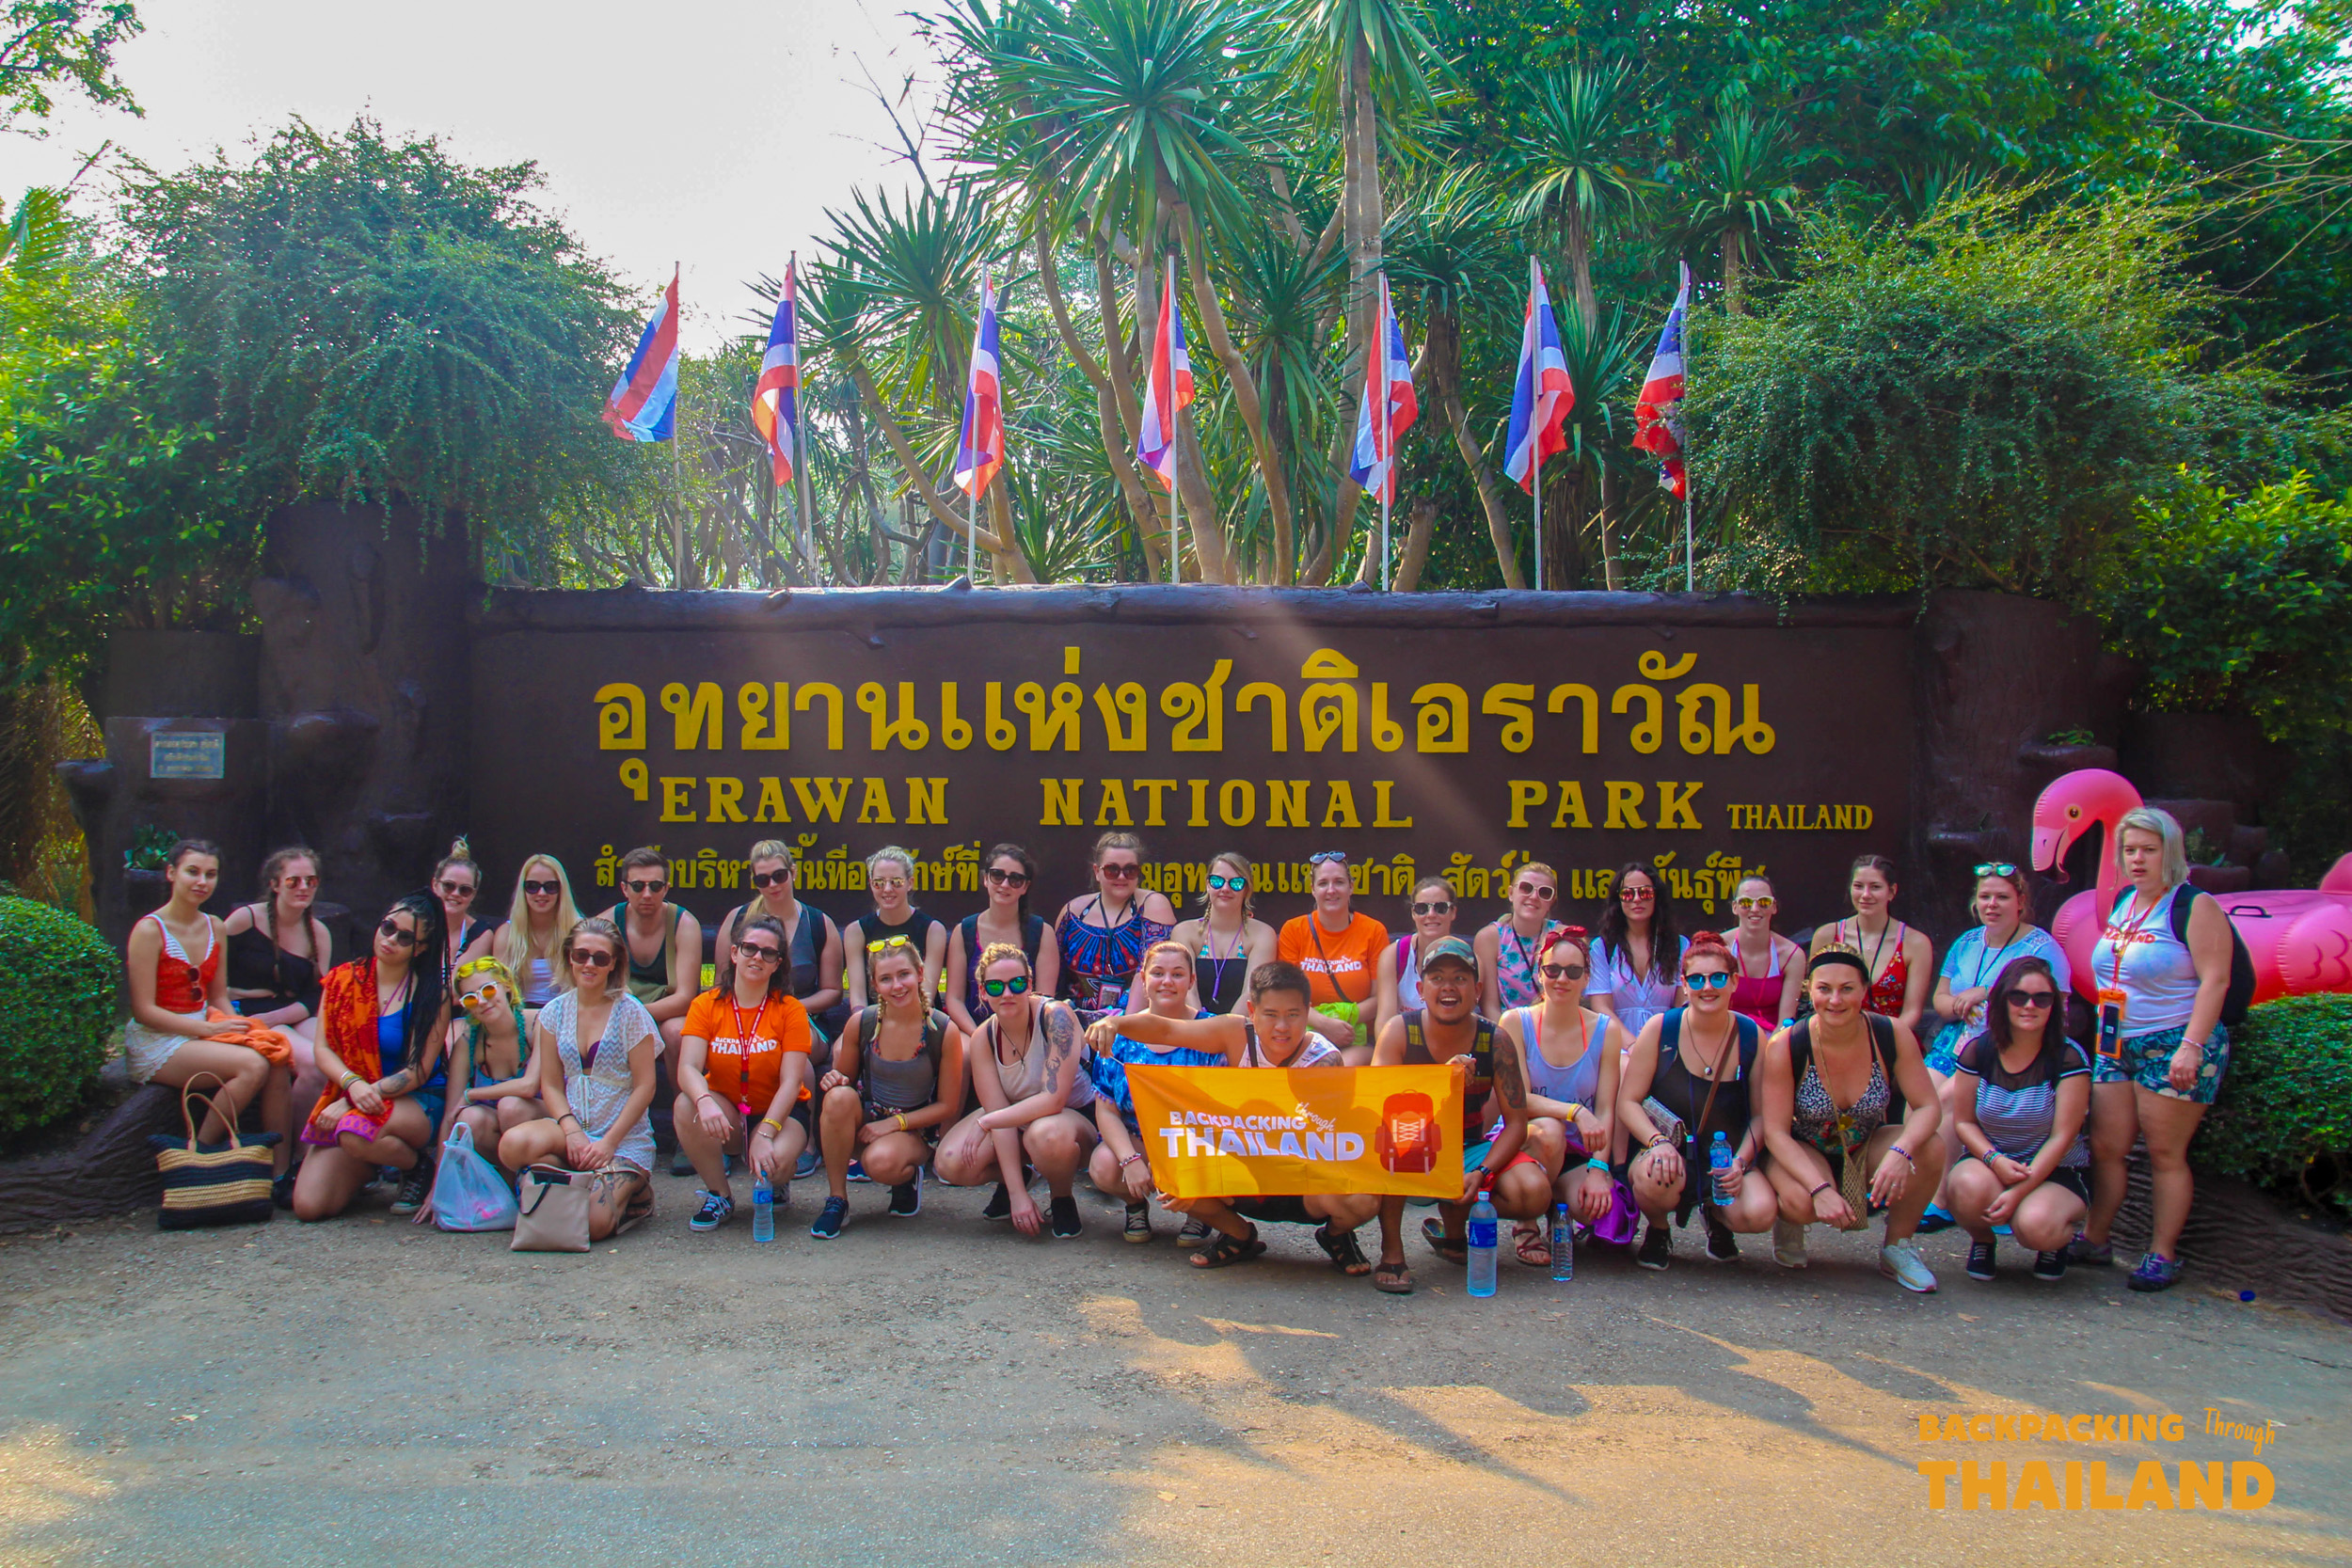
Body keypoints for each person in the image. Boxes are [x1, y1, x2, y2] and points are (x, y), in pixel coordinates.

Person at [1082, 961, 1382, 1275]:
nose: (1282, 1027)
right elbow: (1168, 1029)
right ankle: (1239, 1236)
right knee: (1171, 1174)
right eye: (1271, 1015)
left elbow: (1334, 1141)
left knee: (1362, 1200)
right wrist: (1116, 1025)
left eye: (1293, 1015)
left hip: (1302, 1179)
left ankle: (1336, 1236)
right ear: (1252, 1010)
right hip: (1241, 1171)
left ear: (1308, 1012)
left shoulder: (1325, 1059)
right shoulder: (1235, 1033)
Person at [2072, 808, 2235, 1292]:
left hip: (2174, 1039)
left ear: (2170, 852)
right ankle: (2095, 1238)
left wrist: (2192, 1045)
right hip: (2115, 1041)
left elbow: (2216, 979)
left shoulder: (2194, 904)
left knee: (2165, 1151)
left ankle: (2161, 1254)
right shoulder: (2125, 901)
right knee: (2106, 1147)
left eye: (2148, 849)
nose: (2137, 859)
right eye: (2129, 850)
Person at [1755, 946, 1947, 1291]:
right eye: (1824, 989)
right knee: (1801, 1202)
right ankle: (1790, 1222)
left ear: (1864, 989)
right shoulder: (1787, 1044)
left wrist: (1901, 1151)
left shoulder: (1892, 1033)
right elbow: (1776, 1133)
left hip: (1865, 1143)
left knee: (1929, 1147)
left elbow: (1929, 1107)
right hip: (1804, 1147)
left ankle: (1897, 1247)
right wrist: (1820, 1190)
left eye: (1847, 989)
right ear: (1808, 990)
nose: (1835, 1000)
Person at [122, 839, 295, 1195]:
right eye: (193, 872)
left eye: (210, 874)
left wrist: (239, 1029)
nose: (202, 881)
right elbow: (144, 1011)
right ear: (171, 874)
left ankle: (280, 1172)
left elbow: (218, 995)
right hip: (159, 1039)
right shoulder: (149, 930)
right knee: (252, 1066)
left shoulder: (215, 926)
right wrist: (205, 1028)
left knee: (276, 1056)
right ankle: (199, 1153)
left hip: (204, 1027)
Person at [1369, 937, 1535, 1294]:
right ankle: (1392, 1252)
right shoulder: (1400, 1031)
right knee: (1394, 1145)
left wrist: (1483, 1171)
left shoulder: (1497, 1040)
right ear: (1420, 988)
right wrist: (1440, 1082)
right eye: (1437, 978)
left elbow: (1517, 1122)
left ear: (1477, 990)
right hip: (1410, 1147)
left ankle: (1454, 1232)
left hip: (1469, 1147)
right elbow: (1376, 1104)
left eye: (1460, 978)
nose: (1448, 987)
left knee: (1532, 1193)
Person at [1919, 863, 2072, 1230]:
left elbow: (2057, 1003)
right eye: (1985, 896)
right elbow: (1940, 997)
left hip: (2007, 1047)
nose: (1992, 904)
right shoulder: (1967, 943)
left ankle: (1939, 1200)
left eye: (2002, 897)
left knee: (1949, 1101)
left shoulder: (2042, 947)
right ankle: (1920, 1187)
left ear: (2020, 901)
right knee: (1920, 1101)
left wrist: (1984, 993)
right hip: (1954, 1039)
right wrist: (1958, 1004)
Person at [1617, 930, 1779, 1268]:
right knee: (1654, 1177)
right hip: (1668, 1152)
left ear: (1734, 982)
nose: (1708, 987)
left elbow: (1763, 1117)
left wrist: (1741, 1163)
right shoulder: (1661, 1029)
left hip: (1725, 1155)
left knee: (1759, 1213)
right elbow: (1628, 1102)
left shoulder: (1751, 1036)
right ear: (1684, 984)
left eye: (1718, 977)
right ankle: (1659, 1230)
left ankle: (1718, 1218)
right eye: (1697, 978)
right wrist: (1657, 1142)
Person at [292, 893, 452, 1222]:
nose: (390, 940)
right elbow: (323, 1049)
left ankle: (418, 1165)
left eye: (404, 937)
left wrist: (355, 1100)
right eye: (388, 927)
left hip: (415, 1100)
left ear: (419, 948)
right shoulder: (341, 979)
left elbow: (418, 1071)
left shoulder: (432, 994)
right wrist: (351, 1086)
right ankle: (368, 1161)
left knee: (352, 1129)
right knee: (309, 1206)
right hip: (356, 1095)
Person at [497, 917, 660, 1241]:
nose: (589, 964)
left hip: (622, 1138)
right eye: (581, 955)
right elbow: (552, 1084)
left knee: (592, 1224)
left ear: (613, 963)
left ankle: (635, 1195)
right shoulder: (553, 1013)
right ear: (569, 956)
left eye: (600, 958)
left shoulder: (631, 1012)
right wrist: (571, 1131)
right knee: (512, 1146)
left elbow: (646, 1086)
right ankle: (573, 1179)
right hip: (573, 1129)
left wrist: (609, 1142)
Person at [936, 942, 1099, 1239]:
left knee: (1045, 1134)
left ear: (1030, 985)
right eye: (996, 986)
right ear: (983, 992)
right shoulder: (983, 1037)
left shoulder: (1055, 1016)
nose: (1008, 993)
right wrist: (1016, 1195)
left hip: (1072, 1120)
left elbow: (1053, 1099)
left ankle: (1061, 1197)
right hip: (1017, 1121)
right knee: (950, 1161)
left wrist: (986, 1121)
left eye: (1017, 983)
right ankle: (1023, 1178)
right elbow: (999, 1113)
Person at [1947, 957, 2091, 1283]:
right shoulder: (1978, 1051)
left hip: (2057, 1169)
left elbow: (2063, 1136)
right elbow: (1964, 1122)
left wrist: (2019, 1190)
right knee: (1965, 1186)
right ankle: (1983, 1240)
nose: (2030, 1006)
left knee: (2035, 1227)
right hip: (1993, 1161)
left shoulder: (2068, 1057)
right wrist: (1994, 1160)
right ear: (2002, 1001)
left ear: (2053, 1005)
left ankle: (2053, 1244)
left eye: (2042, 998)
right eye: (2018, 996)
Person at [811, 936, 966, 1239]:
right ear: (874, 984)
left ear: (920, 973)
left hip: (914, 1128)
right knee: (838, 1099)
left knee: (879, 1163)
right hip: (869, 1118)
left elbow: (947, 1106)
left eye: (903, 975)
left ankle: (906, 1179)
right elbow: (843, 1079)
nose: (897, 986)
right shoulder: (864, 1023)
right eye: (886, 979)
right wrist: (834, 1080)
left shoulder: (942, 1030)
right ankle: (836, 1199)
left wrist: (894, 1124)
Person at [1085, 942, 1238, 1243]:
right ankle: (1135, 1204)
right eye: (1158, 973)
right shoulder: (1118, 1036)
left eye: (1178, 974)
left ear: (1192, 981)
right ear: (1143, 979)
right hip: (1137, 1139)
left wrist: (1179, 1156)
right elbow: (1106, 1109)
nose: (1167, 982)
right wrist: (1130, 1161)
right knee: (1103, 1166)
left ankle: (1201, 1212)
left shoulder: (1211, 1031)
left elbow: (1222, 1111)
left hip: (1196, 1141)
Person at [674, 914, 814, 1231]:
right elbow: (687, 1068)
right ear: (734, 953)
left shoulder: (790, 1009)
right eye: (750, 948)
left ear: (777, 963)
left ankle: (777, 1182)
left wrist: (765, 1132)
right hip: (728, 1110)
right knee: (686, 1104)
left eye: (768, 953)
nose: (757, 958)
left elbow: (793, 1082)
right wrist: (704, 1101)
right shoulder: (705, 1005)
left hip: (780, 1115)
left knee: (773, 1165)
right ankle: (720, 1194)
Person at [1493, 927, 1621, 1268]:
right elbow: (1517, 1101)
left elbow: (1607, 1108)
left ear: (1586, 979)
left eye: (1573, 971)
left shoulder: (1606, 1030)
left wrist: (1598, 1168)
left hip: (1579, 1148)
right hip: (1529, 1142)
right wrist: (1576, 1112)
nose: (1562, 979)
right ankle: (1527, 1222)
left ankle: (1556, 1206)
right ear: (1539, 973)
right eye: (1553, 970)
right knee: (1549, 1130)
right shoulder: (1515, 1022)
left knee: (1602, 1213)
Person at [221, 846, 330, 1164]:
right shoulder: (245, 920)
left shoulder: (318, 932)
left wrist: (278, 1015)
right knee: (312, 1063)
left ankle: (340, 1145)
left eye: (311, 881)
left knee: (339, 1052)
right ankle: (300, 1156)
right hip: (248, 1013)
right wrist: (243, 994)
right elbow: (212, 973)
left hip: (292, 1012)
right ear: (274, 883)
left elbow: (316, 995)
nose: (304, 888)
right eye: (294, 881)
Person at [712, 838, 847, 1037]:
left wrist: (784, 1010)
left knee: (790, 1039)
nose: (773, 884)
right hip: (743, 1019)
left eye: (779, 876)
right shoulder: (737, 920)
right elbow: (721, 983)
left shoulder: (818, 923)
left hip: (801, 1018)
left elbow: (833, 992)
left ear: (793, 873)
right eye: (763, 879)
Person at [599, 844, 704, 1072]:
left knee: (676, 1032)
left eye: (655, 886)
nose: (647, 894)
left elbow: (685, 998)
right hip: (617, 1009)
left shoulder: (684, 925)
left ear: (666, 889)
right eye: (638, 886)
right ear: (624, 889)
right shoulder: (607, 924)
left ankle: (683, 1104)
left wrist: (631, 1015)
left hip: (666, 1013)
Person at [1278, 851, 1389, 1062]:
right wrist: (1324, 1024)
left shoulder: (1374, 931)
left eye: (1339, 882)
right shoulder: (1294, 930)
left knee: (1338, 1068)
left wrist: (1344, 1021)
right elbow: (1285, 996)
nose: (1331, 890)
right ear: (1312, 889)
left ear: (1351, 887)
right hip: (1302, 1036)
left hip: (1356, 1039)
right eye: (1323, 883)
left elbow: (1381, 997)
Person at [1055, 832, 1177, 1018]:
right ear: (1097, 872)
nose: (1121, 877)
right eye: (1112, 870)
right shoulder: (1073, 912)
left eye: (1130, 870)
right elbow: (1057, 975)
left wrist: (1123, 1032)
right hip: (1074, 1021)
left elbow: (1148, 971)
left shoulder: (1152, 905)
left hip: (1135, 1022)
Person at [1810, 855, 1933, 1037]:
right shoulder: (1826, 936)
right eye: (1859, 886)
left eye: (1875, 887)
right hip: (1835, 1037)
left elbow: (1912, 1012)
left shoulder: (1916, 943)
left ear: (1891, 892)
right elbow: (1814, 998)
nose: (1865, 895)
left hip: (1893, 1039)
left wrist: (1879, 1043)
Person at [944, 843, 1058, 1037]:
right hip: (973, 1030)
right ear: (985, 879)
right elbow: (954, 999)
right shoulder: (964, 932)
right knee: (964, 1058)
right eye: (998, 875)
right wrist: (979, 1036)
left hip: (1028, 1033)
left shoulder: (1041, 933)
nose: (1005, 885)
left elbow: (1044, 1000)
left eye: (1015, 879)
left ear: (1025, 886)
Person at [446, 955, 542, 1158]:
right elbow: (451, 1115)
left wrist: (471, 1094)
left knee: (511, 1107)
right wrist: (437, 1182)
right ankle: (503, 1179)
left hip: (543, 1123)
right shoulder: (468, 1042)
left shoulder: (538, 1023)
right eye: (471, 998)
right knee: (467, 1119)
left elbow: (529, 1086)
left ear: (507, 985)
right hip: (496, 1133)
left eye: (488, 990)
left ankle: (522, 1175)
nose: (481, 1001)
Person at [1166, 850, 1276, 1016]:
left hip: (1240, 1029)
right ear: (1208, 885)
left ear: (1247, 889)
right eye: (1217, 881)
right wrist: (1201, 1029)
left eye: (1236, 883)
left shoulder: (1263, 934)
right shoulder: (1184, 932)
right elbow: (1187, 991)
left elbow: (1252, 993)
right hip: (1192, 1029)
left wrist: (1222, 1033)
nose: (1225, 888)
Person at [1590, 863, 1687, 1044]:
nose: (1636, 899)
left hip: (1668, 1046)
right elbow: (1601, 1007)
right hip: (1618, 1049)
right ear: (1618, 900)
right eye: (1627, 894)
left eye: (1645, 893)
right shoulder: (1602, 948)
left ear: (1656, 897)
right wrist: (1633, 1047)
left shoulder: (1679, 945)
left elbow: (1683, 1007)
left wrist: (1658, 1049)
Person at [843, 847, 947, 1010]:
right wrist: (865, 1026)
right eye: (879, 882)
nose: (887, 889)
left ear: (910, 883)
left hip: (921, 1019)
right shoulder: (856, 932)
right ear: (871, 884)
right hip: (872, 1021)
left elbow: (925, 994)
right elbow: (858, 998)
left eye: (896, 882)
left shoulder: (933, 930)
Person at [492, 854, 582, 1020]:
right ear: (523, 890)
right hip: (518, 1018)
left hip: (568, 1017)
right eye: (532, 886)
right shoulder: (506, 934)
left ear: (561, 889)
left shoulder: (580, 931)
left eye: (550, 886)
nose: (541, 893)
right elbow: (500, 993)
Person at [1374, 875, 1459, 1043]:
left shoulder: (1469, 959)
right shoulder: (1393, 956)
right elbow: (1385, 1022)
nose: (1431, 914)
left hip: (1452, 1047)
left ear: (1453, 912)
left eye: (1441, 908)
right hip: (1405, 1049)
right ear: (1413, 913)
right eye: (1422, 908)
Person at [1476, 862, 1562, 1016]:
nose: (1534, 897)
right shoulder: (1490, 938)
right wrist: (1505, 1039)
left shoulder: (1561, 936)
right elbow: (1490, 1007)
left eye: (1544, 893)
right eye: (1526, 888)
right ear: (1510, 893)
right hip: (1505, 1030)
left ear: (1552, 901)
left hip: (1552, 1031)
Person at [1724, 874, 1803, 1032]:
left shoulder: (1792, 955)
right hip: (1723, 1038)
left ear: (1774, 907)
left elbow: (1786, 1021)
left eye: (1764, 903)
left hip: (1773, 1040)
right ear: (1735, 907)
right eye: (1745, 903)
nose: (1755, 909)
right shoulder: (1717, 948)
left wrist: (1771, 1051)